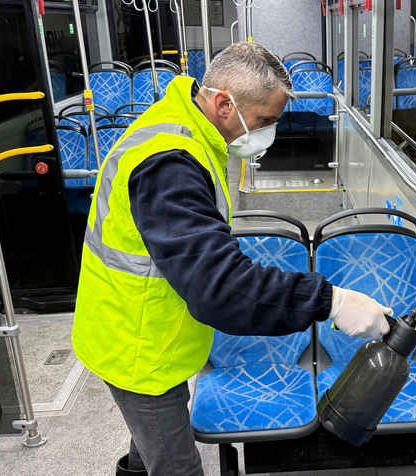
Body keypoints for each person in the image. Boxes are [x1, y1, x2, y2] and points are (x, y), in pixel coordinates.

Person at [71, 42, 392, 476]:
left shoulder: (186, 126)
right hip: (137, 348)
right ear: (224, 103)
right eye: (264, 121)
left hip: (149, 329)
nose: (267, 133)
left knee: (147, 450)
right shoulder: (170, 163)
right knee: (177, 466)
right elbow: (219, 287)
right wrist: (331, 301)